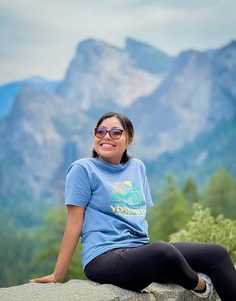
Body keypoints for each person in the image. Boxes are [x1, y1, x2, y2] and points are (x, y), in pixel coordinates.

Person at [30, 111, 236, 300]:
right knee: (163, 252)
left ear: (128, 139)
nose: (106, 136)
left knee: (216, 253)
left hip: (139, 252)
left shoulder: (137, 167)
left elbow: (136, 218)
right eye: (100, 131)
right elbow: (74, 223)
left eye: (115, 132)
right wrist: (58, 275)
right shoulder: (83, 169)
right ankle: (201, 287)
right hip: (103, 257)